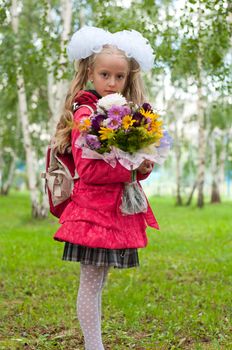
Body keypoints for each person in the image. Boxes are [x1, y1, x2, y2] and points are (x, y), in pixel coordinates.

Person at [52, 26, 159, 350]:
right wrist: (128, 171)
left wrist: (141, 167)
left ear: (128, 78)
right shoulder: (86, 113)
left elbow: (122, 164)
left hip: (113, 212)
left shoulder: (122, 114)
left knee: (98, 283)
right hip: (94, 213)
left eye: (119, 76)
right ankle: (93, 346)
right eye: (104, 74)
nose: (111, 82)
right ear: (89, 72)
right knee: (91, 283)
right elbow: (89, 170)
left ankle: (94, 345)